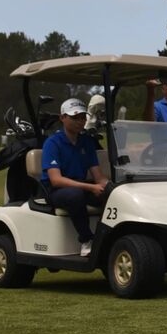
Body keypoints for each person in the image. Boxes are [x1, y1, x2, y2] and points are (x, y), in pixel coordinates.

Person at [40, 98, 109, 257]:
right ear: (63, 118)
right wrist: (91, 187)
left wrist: (111, 187)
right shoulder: (52, 143)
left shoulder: (86, 142)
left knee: (111, 195)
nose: (80, 122)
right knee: (75, 195)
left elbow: (98, 176)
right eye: (75, 117)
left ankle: (106, 238)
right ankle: (86, 240)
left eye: (82, 117)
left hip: (80, 185)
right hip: (55, 190)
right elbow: (56, 180)